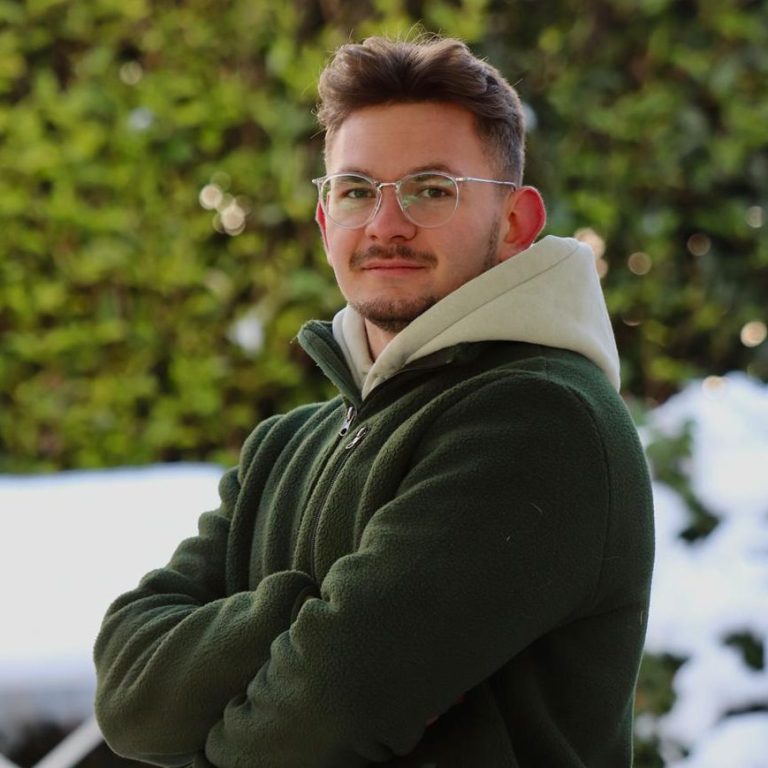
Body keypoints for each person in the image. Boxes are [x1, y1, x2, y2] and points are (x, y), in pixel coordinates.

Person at [94, 34, 654, 768]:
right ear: (326, 220)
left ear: (516, 222)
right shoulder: (285, 446)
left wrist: (221, 714)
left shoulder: (543, 421)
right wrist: (298, 612)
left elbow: (312, 725)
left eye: (432, 189)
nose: (386, 225)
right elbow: (127, 695)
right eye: (357, 190)